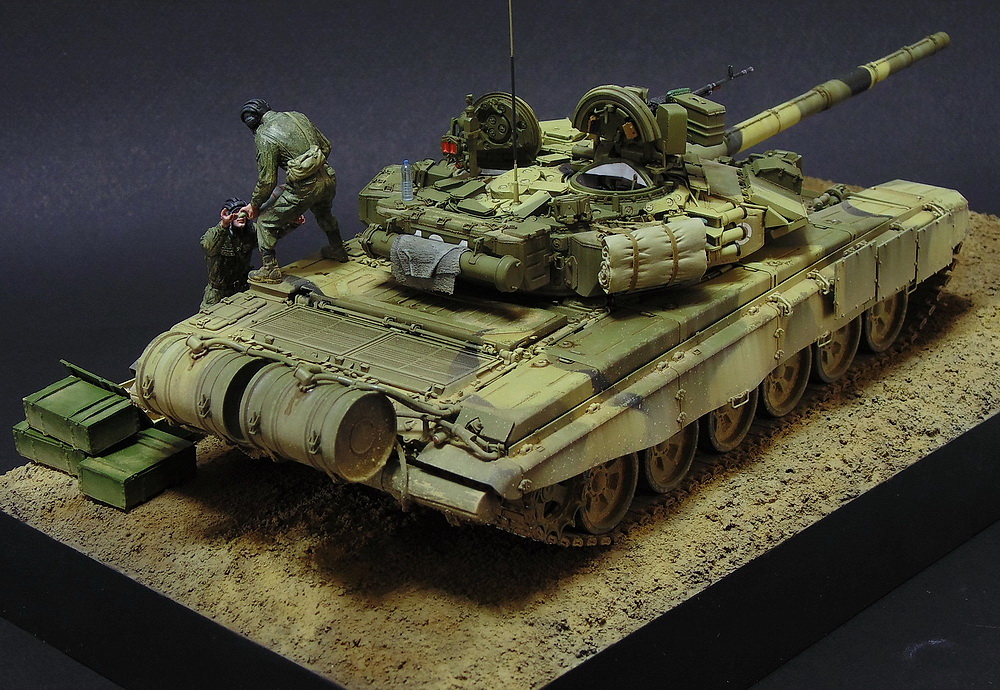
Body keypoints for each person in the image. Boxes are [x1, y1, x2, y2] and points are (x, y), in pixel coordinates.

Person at [238, 99, 348, 284]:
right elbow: (326, 146)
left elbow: (267, 181)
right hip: (328, 177)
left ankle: (270, 270)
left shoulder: (264, 135)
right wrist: (312, 166)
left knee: (265, 222)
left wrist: (254, 205)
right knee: (324, 213)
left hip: (304, 188)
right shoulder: (297, 116)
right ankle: (338, 249)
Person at [200, 197, 258, 309]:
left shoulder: (250, 232)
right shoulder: (219, 234)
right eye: (236, 212)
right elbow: (208, 246)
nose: (240, 216)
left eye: (242, 212)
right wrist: (223, 225)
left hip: (242, 290)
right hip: (217, 294)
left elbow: (268, 234)